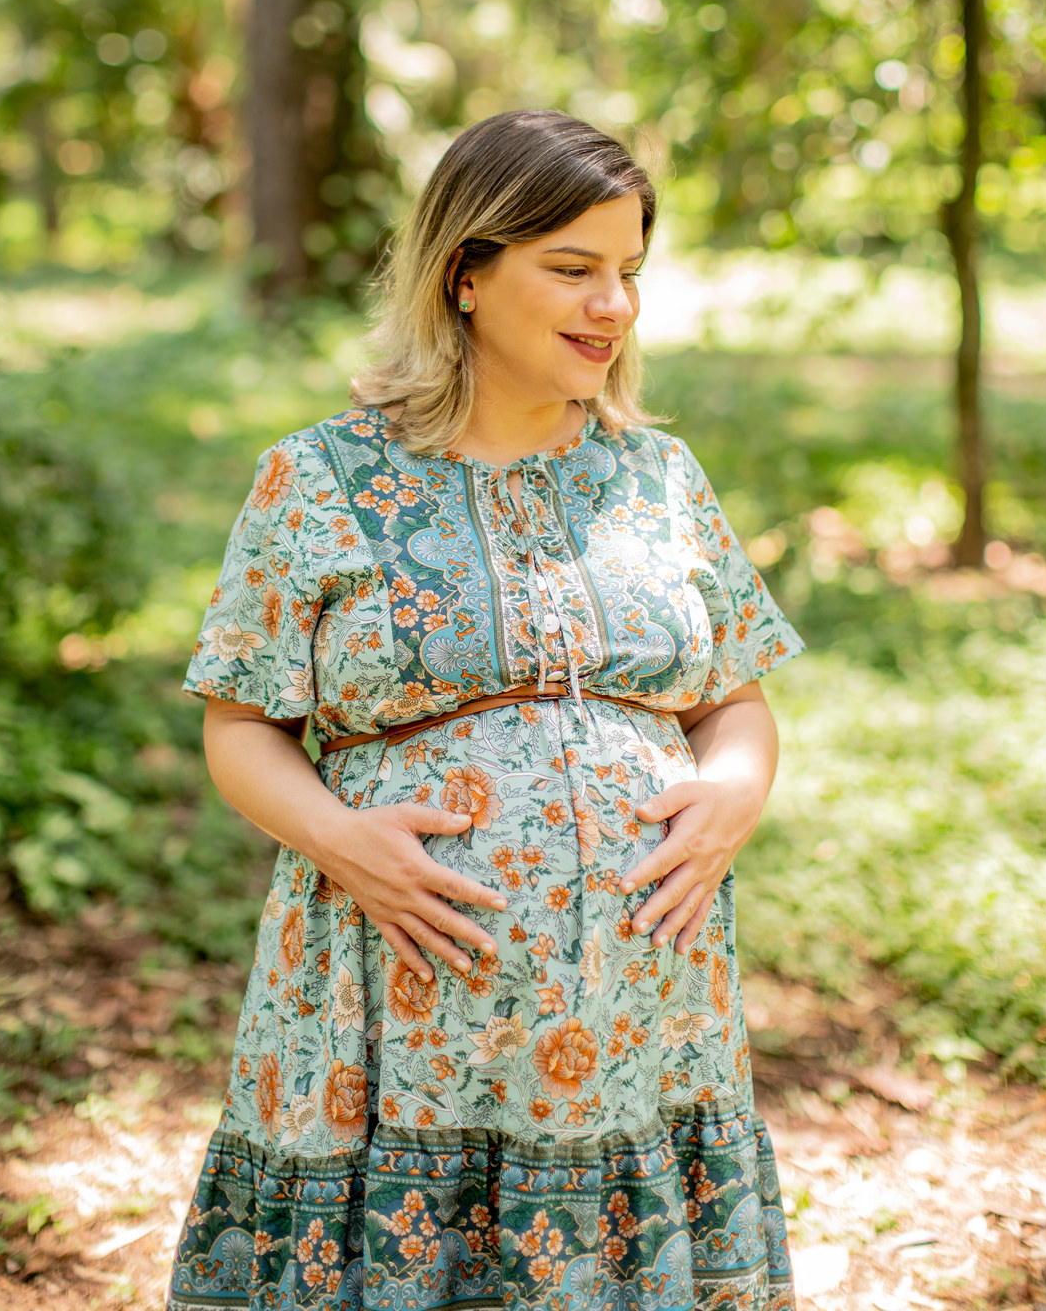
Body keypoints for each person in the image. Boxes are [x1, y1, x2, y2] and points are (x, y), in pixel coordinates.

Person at [168, 108, 803, 1311]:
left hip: (639, 1020)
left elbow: (736, 699)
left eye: (628, 274)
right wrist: (341, 839)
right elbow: (241, 726)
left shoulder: (659, 476)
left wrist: (731, 791)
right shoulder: (320, 479)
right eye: (572, 269)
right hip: (392, 1015)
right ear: (466, 274)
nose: (610, 306)